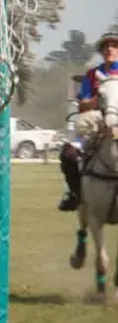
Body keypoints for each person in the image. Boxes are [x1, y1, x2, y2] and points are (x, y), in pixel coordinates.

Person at [58, 32, 118, 212]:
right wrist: (97, 100)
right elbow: (83, 105)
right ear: (101, 51)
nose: (109, 49)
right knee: (68, 154)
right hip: (95, 125)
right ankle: (76, 195)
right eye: (106, 46)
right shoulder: (92, 75)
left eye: (114, 45)